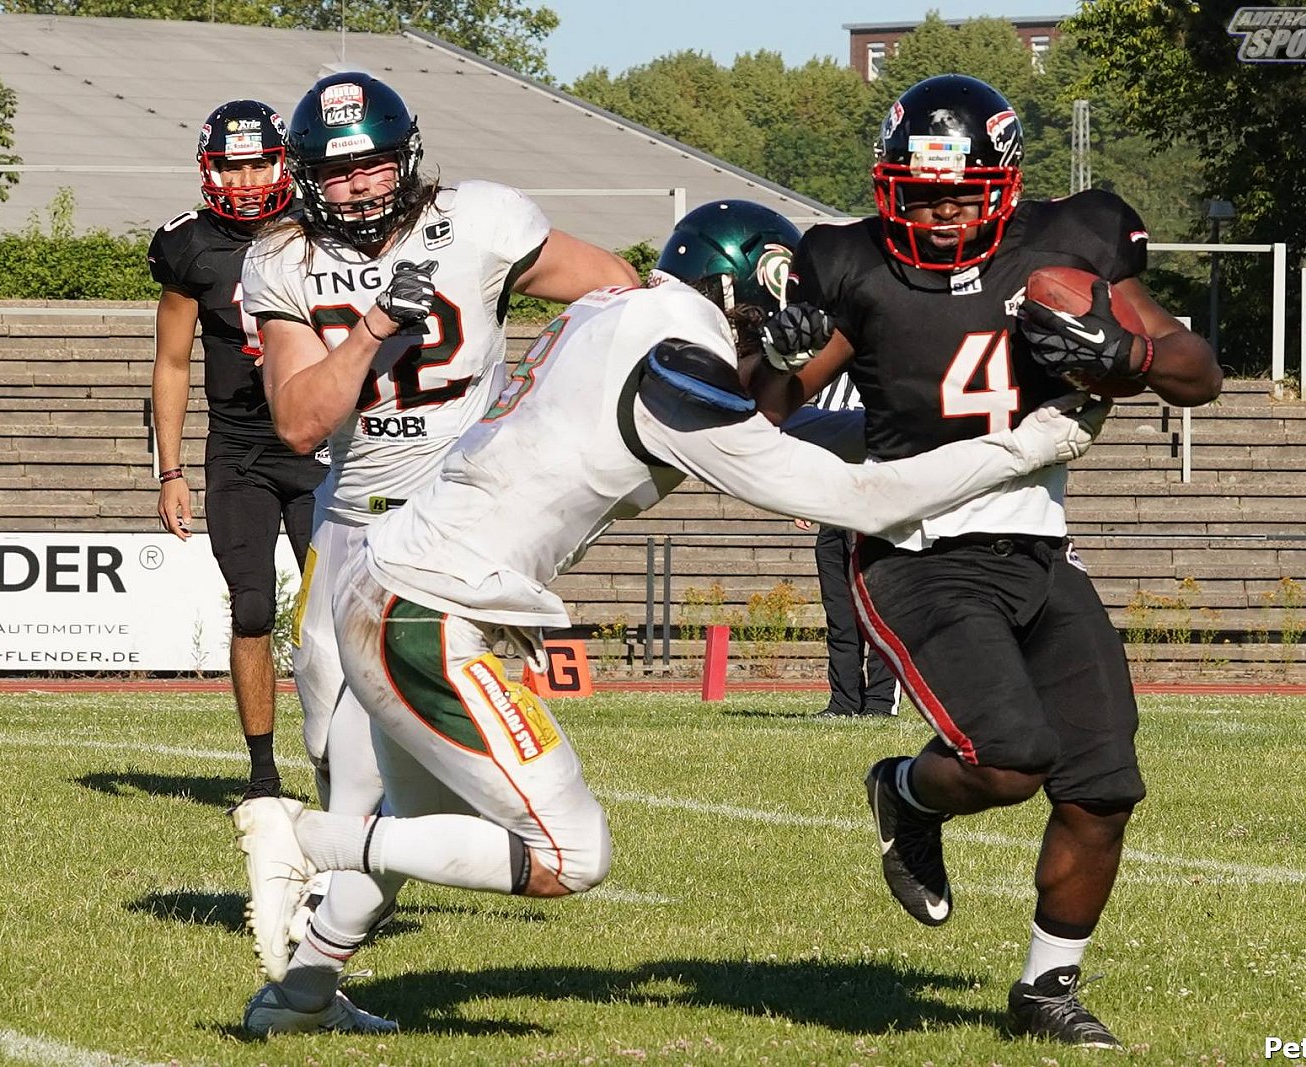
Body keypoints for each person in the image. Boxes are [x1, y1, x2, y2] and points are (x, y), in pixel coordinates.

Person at [230, 197, 1111, 1036]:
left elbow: (767, 423)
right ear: (743, 289)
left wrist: (797, 377)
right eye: (780, 299)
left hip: (401, 581)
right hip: (426, 611)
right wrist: (1024, 446)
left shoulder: (622, 311)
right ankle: (302, 836)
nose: (792, 320)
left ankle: (298, 996)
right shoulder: (676, 365)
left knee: (410, 830)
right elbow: (856, 497)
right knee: (569, 854)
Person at [752, 74, 1223, 1049]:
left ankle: (1046, 988)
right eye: (920, 193)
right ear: (890, 186)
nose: (940, 211)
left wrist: (1127, 356)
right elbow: (767, 407)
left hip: (1038, 544)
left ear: (1003, 182)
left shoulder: (1071, 241)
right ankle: (905, 790)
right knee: (1007, 757)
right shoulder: (850, 261)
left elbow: (1197, 371)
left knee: (1103, 786)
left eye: (960, 192)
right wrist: (773, 353)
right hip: (918, 549)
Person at [232, 70, 640, 1034]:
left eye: (374, 164)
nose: (360, 186)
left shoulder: (481, 220)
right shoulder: (282, 258)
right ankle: (303, 981)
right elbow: (298, 423)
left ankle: (301, 971)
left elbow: (618, 288)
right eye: (338, 172)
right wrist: (377, 326)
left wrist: (538, 386)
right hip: (352, 528)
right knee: (344, 766)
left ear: (407, 156)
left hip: (454, 530)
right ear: (306, 177)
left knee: (382, 791)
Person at [148, 99, 324, 801]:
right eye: (233, 167)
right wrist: (170, 470)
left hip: (317, 443)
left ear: (284, 163)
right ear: (209, 171)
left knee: (333, 608)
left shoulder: (322, 230)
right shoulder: (191, 244)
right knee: (251, 607)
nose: (247, 182)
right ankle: (263, 775)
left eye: (258, 165)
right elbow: (171, 362)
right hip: (240, 449)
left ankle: (348, 758)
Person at [801, 373, 896, 718]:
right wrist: (806, 498)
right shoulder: (828, 380)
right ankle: (844, 701)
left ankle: (880, 703)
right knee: (840, 615)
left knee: (881, 613)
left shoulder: (885, 375)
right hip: (834, 510)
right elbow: (816, 446)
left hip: (876, 512)